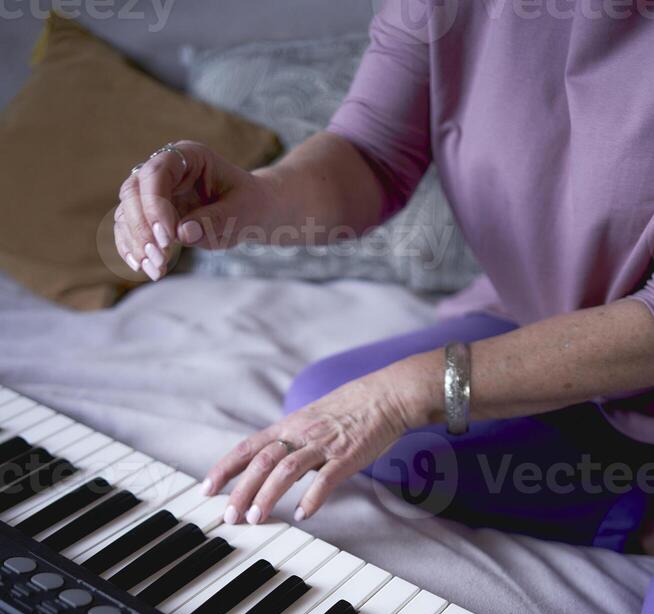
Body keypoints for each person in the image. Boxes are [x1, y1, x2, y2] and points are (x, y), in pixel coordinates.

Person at [113, 0, 654, 557]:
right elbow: (372, 152)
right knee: (322, 403)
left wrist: (405, 395)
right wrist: (256, 198)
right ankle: (633, 513)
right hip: (535, 311)